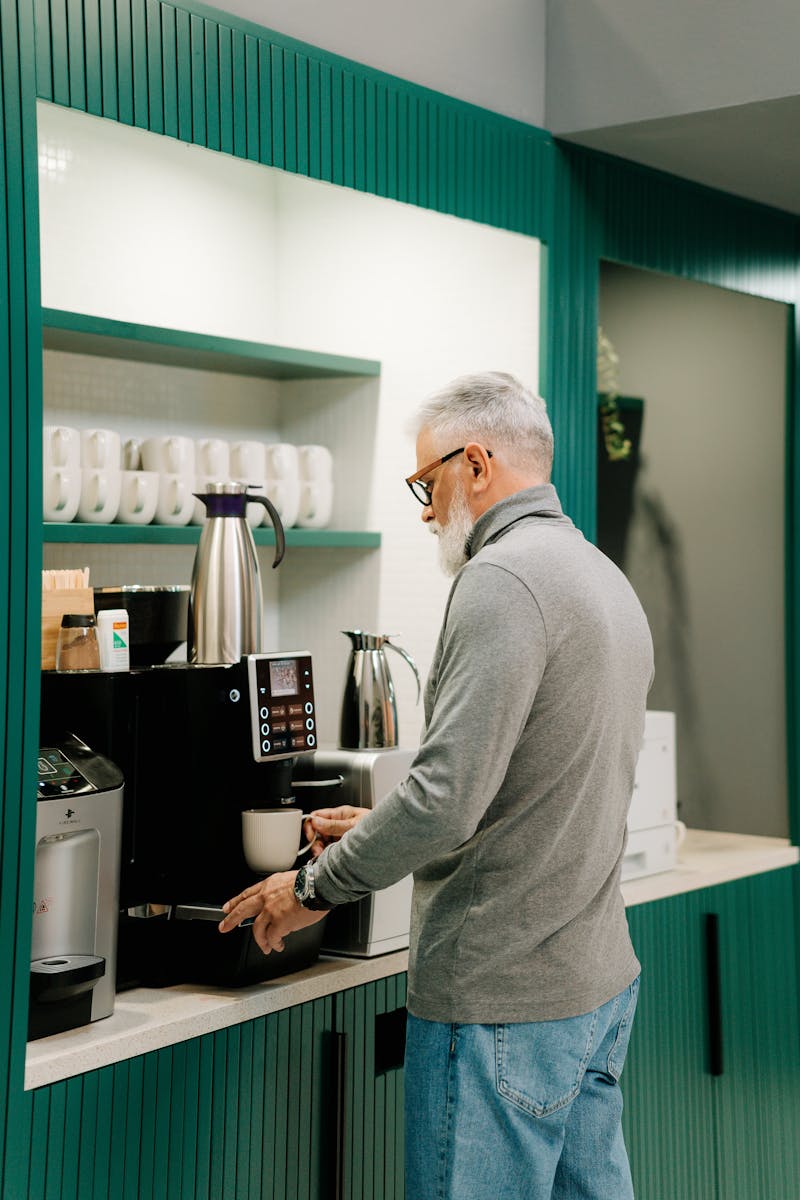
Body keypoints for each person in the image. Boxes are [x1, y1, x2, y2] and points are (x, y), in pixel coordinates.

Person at [220, 371, 654, 1199]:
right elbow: (530, 783)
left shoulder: (500, 581)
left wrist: (310, 888)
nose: (424, 509)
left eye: (428, 482)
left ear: (479, 463)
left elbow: (447, 797)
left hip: (501, 1001)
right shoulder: (599, 574)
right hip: (591, 986)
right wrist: (386, 821)